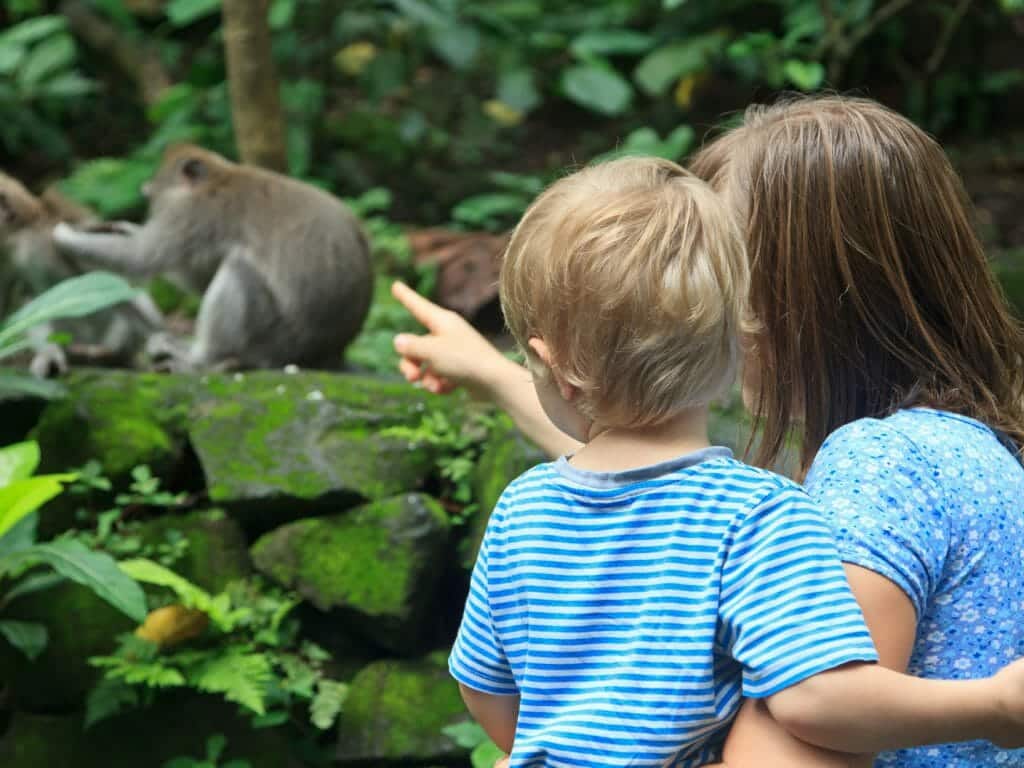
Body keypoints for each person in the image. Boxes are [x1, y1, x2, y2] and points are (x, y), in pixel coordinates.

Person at [392, 96, 1024, 767]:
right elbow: (652, 493)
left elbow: (807, 712)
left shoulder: (881, 467)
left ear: (797, 291)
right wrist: (491, 373)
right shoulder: (948, 449)